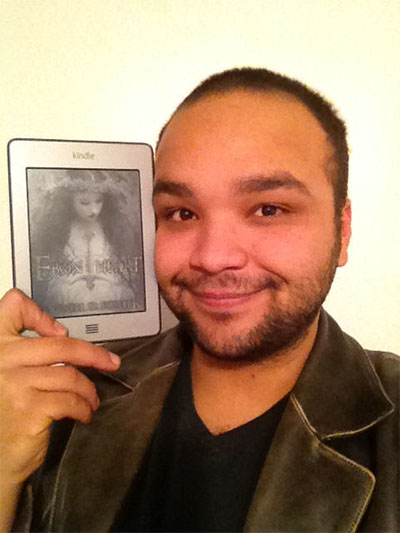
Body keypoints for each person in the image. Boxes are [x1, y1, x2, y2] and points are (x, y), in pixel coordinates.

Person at [0, 68, 398, 532]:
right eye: (182, 213)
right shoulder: (56, 403)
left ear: (342, 229)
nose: (212, 257)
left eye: (268, 209)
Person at [29, 169, 145, 316]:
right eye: (84, 203)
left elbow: (118, 266)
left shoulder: (112, 227)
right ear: (69, 202)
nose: (94, 210)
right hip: (70, 290)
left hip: (108, 289)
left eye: (99, 201)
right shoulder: (61, 229)